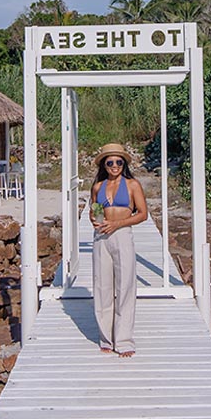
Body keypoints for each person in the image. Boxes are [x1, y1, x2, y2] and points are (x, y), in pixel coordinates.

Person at [90, 143, 148, 357]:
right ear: (104, 165)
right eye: (110, 162)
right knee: (102, 286)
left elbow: (142, 214)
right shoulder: (98, 187)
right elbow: (93, 210)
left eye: (119, 162)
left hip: (122, 234)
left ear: (124, 164)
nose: (115, 165)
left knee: (125, 286)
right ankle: (106, 337)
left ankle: (124, 340)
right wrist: (95, 221)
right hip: (102, 237)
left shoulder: (132, 185)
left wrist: (118, 224)